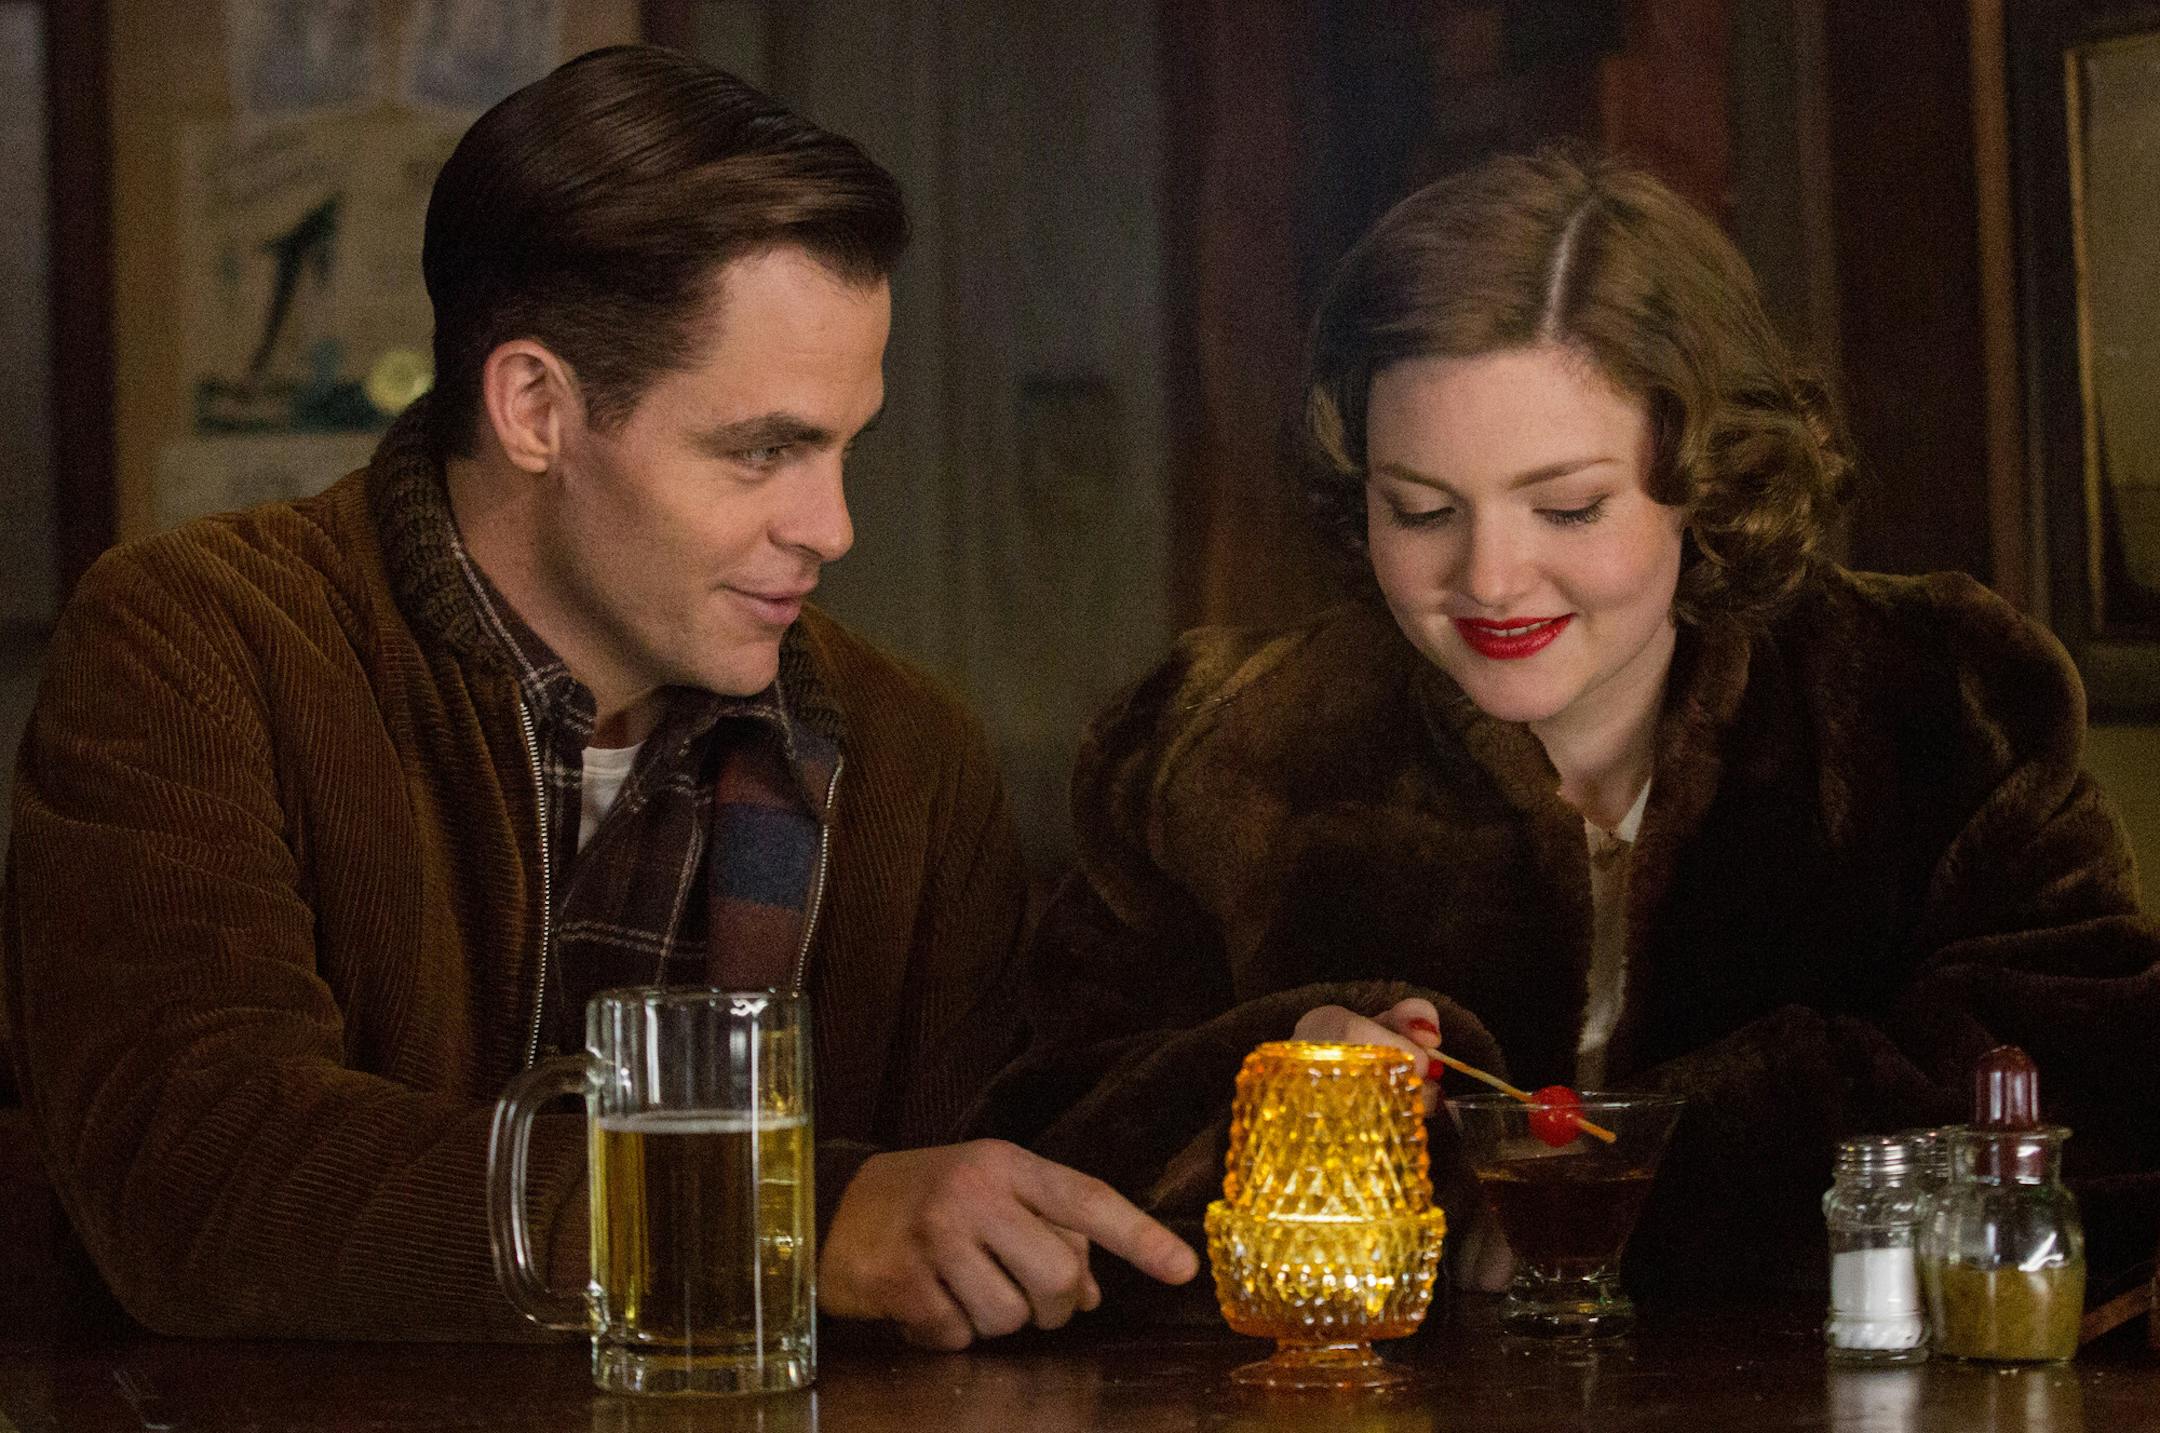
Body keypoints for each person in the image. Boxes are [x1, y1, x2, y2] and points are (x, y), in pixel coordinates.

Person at [1, 45, 1193, 1346]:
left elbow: (966, 1252)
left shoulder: (909, 756)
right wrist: (786, 1217)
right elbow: (199, 1183)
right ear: (533, 409)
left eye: (847, 446)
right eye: (761, 452)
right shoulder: (201, 644)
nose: (834, 525)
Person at [974, 148, 2160, 1301]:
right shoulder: (1217, 751)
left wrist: (1630, 1175)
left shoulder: (1946, 705)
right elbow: (1046, 1139)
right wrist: (1279, 1076)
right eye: (1422, 509)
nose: (1491, 577)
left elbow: (2099, 1096)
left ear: (1710, 473)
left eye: (1569, 505)